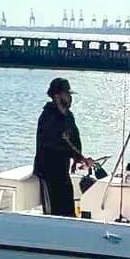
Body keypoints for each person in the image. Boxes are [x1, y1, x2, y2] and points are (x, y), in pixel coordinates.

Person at [34, 77, 93, 217]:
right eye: (67, 94)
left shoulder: (68, 116)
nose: (70, 97)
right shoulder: (48, 117)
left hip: (62, 171)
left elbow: (74, 139)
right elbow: (55, 143)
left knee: (68, 210)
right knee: (53, 212)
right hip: (48, 172)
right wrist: (77, 155)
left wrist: (79, 158)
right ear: (57, 96)